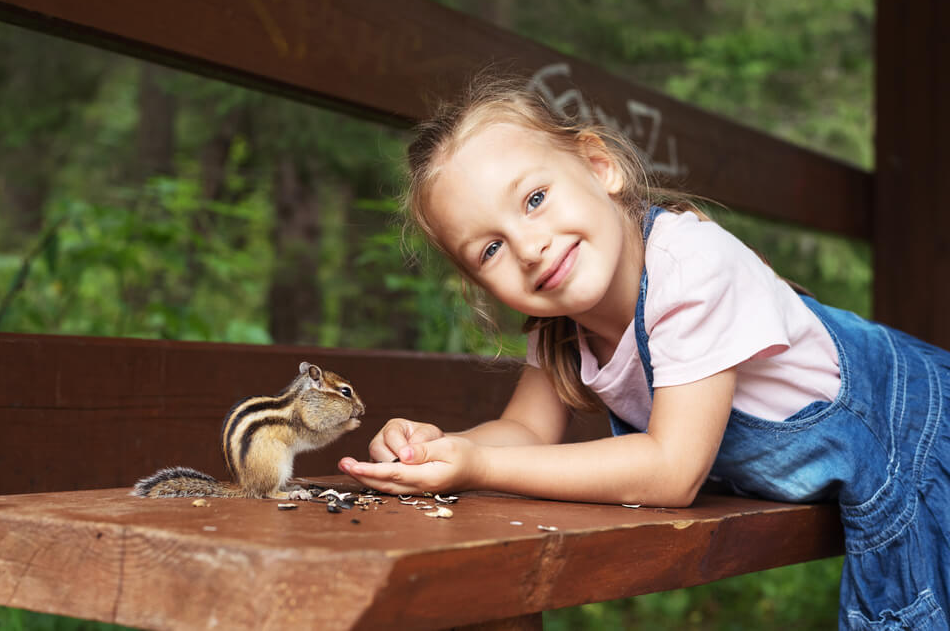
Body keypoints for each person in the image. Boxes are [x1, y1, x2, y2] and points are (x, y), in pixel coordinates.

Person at [337, 73, 950, 629]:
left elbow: (671, 469)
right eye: (489, 250)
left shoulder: (689, 266)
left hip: (922, 443)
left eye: (534, 199)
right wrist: (444, 450)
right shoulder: (559, 327)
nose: (528, 247)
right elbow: (524, 430)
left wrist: (480, 468)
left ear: (601, 167)